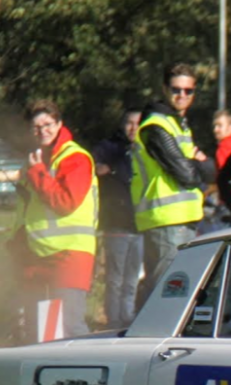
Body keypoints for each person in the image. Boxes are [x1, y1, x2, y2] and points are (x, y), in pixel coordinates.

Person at [13, 99, 98, 338]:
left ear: (60, 124)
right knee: (39, 330)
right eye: (36, 127)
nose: (43, 131)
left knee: (70, 327)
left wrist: (37, 173)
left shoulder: (75, 158)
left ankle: (88, 363)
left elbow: (65, 202)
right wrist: (15, 242)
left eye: (48, 124)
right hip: (36, 255)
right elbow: (25, 211)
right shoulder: (34, 160)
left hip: (70, 254)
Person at [132, 62, 214, 309]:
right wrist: (200, 164)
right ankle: (144, 332)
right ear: (165, 89)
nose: (182, 95)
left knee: (175, 294)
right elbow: (187, 174)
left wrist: (201, 166)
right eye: (176, 90)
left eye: (188, 91)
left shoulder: (178, 124)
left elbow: (210, 171)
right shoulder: (156, 126)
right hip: (166, 221)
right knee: (164, 293)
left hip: (181, 219)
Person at [91, 108, 142, 329]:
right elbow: (95, 168)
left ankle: (128, 321)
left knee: (132, 280)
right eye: (129, 123)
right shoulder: (108, 148)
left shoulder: (148, 150)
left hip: (140, 225)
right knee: (114, 278)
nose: (133, 128)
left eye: (138, 123)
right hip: (116, 225)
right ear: (122, 125)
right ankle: (113, 322)